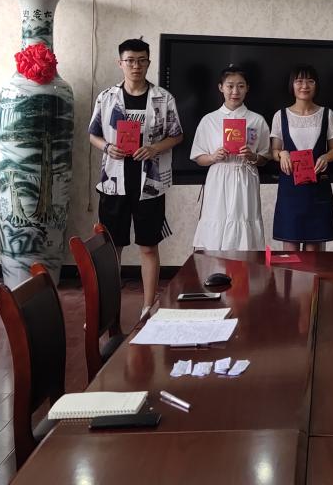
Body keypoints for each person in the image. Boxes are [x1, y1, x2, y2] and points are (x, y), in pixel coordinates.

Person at [88, 38, 183, 319]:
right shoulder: (107, 97)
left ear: (148, 63)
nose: (136, 66)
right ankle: (109, 310)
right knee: (112, 248)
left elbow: (177, 135)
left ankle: (147, 308)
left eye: (142, 60)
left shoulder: (163, 98)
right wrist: (107, 147)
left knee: (148, 246)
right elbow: (93, 134)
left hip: (149, 184)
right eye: (130, 60)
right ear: (120, 63)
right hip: (113, 182)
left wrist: (154, 148)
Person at [190, 65, 271, 251]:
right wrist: (213, 157)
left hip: (245, 177)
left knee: (244, 221)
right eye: (230, 86)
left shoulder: (257, 120)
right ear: (221, 87)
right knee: (217, 223)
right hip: (219, 178)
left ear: (247, 88)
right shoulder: (209, 120)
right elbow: (198, 157)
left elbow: (265, 157)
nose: (235, 91)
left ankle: (244, 268)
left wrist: (252, 156)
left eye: (241, 86)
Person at [270, 65, 333, 251]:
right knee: (290, 253)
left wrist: (326, 156)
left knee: (315, 255)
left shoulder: (327, 114)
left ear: (316, 85)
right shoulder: (280, 115)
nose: (304, 86)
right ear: (292, 85)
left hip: (318, 188)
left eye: (310, 81)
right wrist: (282, 153)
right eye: (299, 81)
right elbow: (274, 150)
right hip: (290, 190)